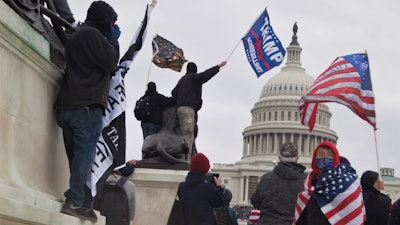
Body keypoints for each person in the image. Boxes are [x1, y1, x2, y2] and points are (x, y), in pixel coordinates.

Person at [54, 0, 120, 221]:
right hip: (86, 106)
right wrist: (113, 40)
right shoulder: (93, 36)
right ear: (105, 20)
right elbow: (111, 62)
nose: (112, 26)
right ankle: (74, 199)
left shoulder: (79, 34)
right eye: (112, 22)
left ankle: (83, 201)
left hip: (69, 104)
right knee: (83, 157)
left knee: (77, 159)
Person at [293, 141, 365, 225]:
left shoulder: (347, 184)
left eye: (330, 155)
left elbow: (353, 213)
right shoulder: (309, 182)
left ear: (335, 159)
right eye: (321, 154)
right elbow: (303, 215)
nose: (325, 158)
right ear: (315, 158)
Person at [171, 61, 227, 160]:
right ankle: (186, 157)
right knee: (188, 133)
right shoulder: (194, 78)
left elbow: (173, 92)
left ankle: (180, 154)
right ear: (195, 70)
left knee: (182, 132)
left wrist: (182, 96)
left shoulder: (183, 79)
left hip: (179, 109)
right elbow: (206, 74)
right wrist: (218, 67)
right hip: (188, 109)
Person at [250, 142, 307, 225]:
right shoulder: (306, 180)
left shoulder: (266, 179)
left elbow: (256, 201)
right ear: (297, 158)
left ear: (279, 158)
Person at [177, 153, 225, 225]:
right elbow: (220, 202)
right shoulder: (208, 187)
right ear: (205, 169)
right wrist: (218, 186)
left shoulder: (182, 187)